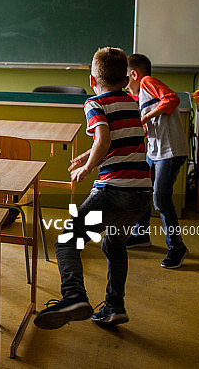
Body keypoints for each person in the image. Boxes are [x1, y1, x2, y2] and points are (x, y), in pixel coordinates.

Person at [34, 47, 152, 330]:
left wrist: (88, 168)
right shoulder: (132, 102)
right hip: (141, 193)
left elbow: (104, 139)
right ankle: (114, 306)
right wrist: (89, 156)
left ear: (91, 80)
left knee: (67, 242)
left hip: (114, 190)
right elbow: (120, 142)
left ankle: (74, 296)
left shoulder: (94, 103)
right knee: (114, 245)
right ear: (125, 80)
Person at [125, 53, 189, 268]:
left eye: (126, 79)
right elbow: (152, 124)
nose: (126, 85)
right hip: (155, 152)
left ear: (134, 74)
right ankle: (141, 235)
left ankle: (177, 247)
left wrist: (144, 117)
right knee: (143, 192)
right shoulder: (140, 93)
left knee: (161, 199)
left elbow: (172, 99)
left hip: (170, 153)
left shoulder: (147, 82)